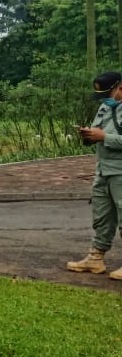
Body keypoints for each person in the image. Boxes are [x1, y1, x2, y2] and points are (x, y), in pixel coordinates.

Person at [67, 71, 122, 278]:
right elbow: (97, 130)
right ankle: (95, 257)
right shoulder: (105, 106)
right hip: (103, 169)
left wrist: (104, 136)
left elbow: (107, 135)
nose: (105, 99)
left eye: (108, 93)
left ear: (120, 87)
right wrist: (89, 136)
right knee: (102, 216)